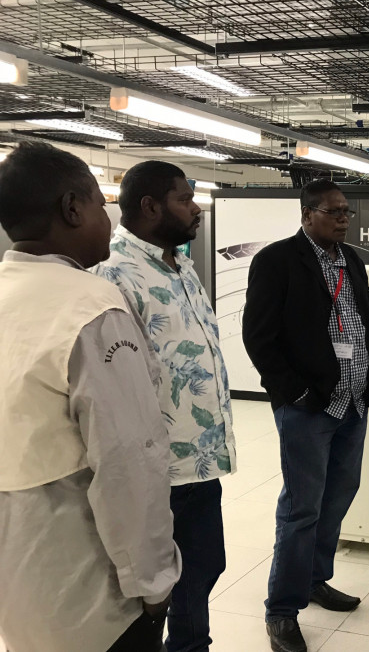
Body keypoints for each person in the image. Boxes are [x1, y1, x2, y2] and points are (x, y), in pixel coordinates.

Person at [0, 142, 181, 652]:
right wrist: (153, 582)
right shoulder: (90, 309)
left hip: (20, 591)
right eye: (101, 204)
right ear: (72, 208)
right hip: (91, 597)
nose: (108, 218)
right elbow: (128, 463)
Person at [94, 161, 236, 652]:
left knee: (202, 569)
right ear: (150, 207)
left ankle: (193, 645)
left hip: (198, 459)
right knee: (160, 587)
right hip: (159, 469)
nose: (195, 208)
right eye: (183, 199)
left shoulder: (180, 264)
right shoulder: (114, 276)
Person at [242, 179, 369, 652]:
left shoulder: (353, 260)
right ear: (307, 215)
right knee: (302, 508)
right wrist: (296, 393)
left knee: (339, 495)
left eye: (347, 212)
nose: (344, 219)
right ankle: (281, 610)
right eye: (334, 212)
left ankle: (314, 579)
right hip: (309, 407)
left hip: (353, 403)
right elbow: (259, 338)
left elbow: (365, 327)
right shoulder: (277, 261)